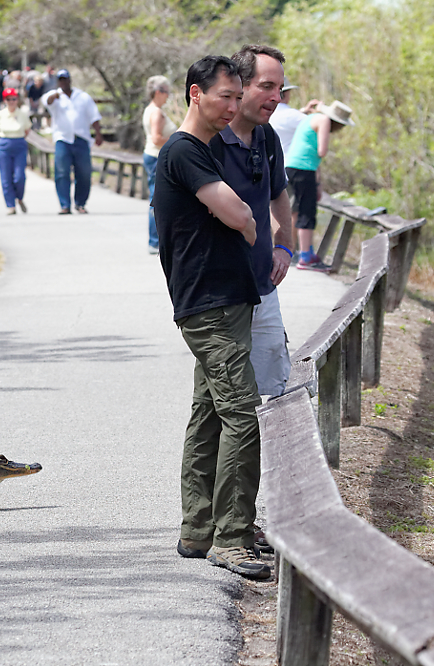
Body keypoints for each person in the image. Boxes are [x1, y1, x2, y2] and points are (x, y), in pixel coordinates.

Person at [152, 55, 270, 580]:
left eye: (237, 94)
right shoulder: (183, 151)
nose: (234, 104)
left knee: (209, 413)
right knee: (242, 414)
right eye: (225, 95)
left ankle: (198, 529)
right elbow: (237, 211)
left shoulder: (207, 148)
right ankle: (232, 538)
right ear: (195, 93)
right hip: (209, 305)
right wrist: (247, 228)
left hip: (226, 301)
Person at [209, 44, 294, 400]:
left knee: (277, 390)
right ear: (240, 85)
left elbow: (279, 195)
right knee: (230, 399)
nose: (276, 97)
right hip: (222, 294)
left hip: (263, 286)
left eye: (279, 88)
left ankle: (273, 458)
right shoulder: (208, 142)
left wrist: (285, 247)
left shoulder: (267, 137)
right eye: (267, 86)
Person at [284, 99, 355, 271]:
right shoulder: (323, 120)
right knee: (307, 212)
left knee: (297, 209)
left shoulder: (310, 118)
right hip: (303, 169)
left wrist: (318, 183)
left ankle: (305, 252)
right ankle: (306, 256)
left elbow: (312, 156)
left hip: (292, 167)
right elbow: (321, 151)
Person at [42, 69, 103, 215]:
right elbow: (46, 101)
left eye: (65, 79)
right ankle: (64, 205)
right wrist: (55, 96)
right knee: (62, 172)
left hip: (81, 139)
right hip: (63, 139)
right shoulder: (54, 96)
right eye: (60, 80)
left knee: (84, 173)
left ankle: (80, 203)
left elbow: (94, 116)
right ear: (58, 82)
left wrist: (99, 134)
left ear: (70, 80)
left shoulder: (83, 97)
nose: (63, 82)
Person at [143, 75, 177, 254]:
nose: (168, 96)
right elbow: (157, 138)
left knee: (156, 198)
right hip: (156, 157)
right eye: (166, 92)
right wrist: (177, 140)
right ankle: (155, 240)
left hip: (151, 155)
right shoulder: (156, 112)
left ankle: (156, 240)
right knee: (157, 200)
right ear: (158, 92)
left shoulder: (151, 109)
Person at [0, 88, 32, 215]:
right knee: (6, 177)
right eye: (9, 99)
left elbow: (27, 130)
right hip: (5, 144)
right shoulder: (1, 114)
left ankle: (19, 197)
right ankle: (10, 205)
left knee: (19, 176)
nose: (11, 102)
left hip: (19, 143)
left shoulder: (22, 114)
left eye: (14, 99)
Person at [269, 77, 320, 158]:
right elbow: (316, 123)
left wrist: (304, 110)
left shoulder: (268, 113)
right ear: (285, 94)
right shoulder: (291, 115)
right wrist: (319, 112)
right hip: (289, 163)